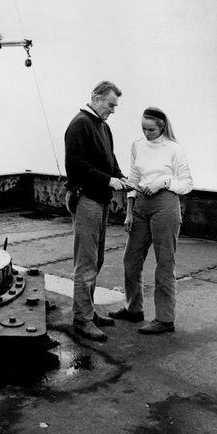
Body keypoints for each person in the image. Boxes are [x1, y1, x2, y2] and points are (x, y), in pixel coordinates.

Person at [109, 107, 193, 334]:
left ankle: (165, 320)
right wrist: (129, 210)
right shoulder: (137, 145)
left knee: (164, 262)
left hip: (165, 204)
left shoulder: (174, 149)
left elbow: (186, 183)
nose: (146, 133)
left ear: (162, 127)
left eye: (151, 129)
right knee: (131, 259)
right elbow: (133, 178)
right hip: (141, 205)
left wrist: (164, 183)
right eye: (143, 128)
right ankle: (133, 309)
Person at [64, 81, 130, 342]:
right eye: (110, 104)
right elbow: (75, 165)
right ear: (96, 97)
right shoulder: (80, 124)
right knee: (86, 263)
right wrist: (106, 180)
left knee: (97, 259)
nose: (113, 110)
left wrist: (121, 177)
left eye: (115, 105)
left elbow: (110, 159)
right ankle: (82, 319)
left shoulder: (103, 126)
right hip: (87, 199)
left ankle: (88, 311)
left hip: (99, 200)